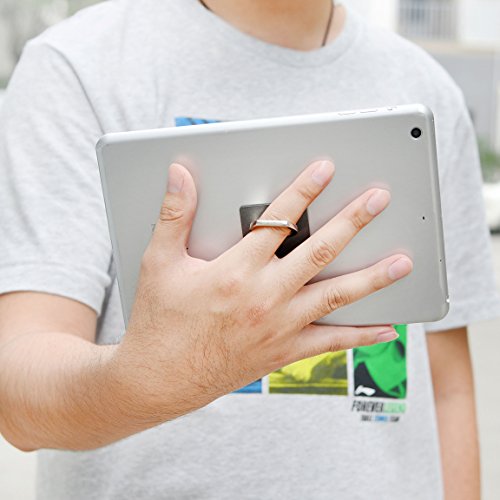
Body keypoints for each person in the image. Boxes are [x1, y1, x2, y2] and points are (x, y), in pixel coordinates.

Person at [0, 0, 498, 499]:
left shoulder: (425, 88)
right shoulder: (81, 63)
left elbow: (447, 390)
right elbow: (18, 399)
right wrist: (178, 369)